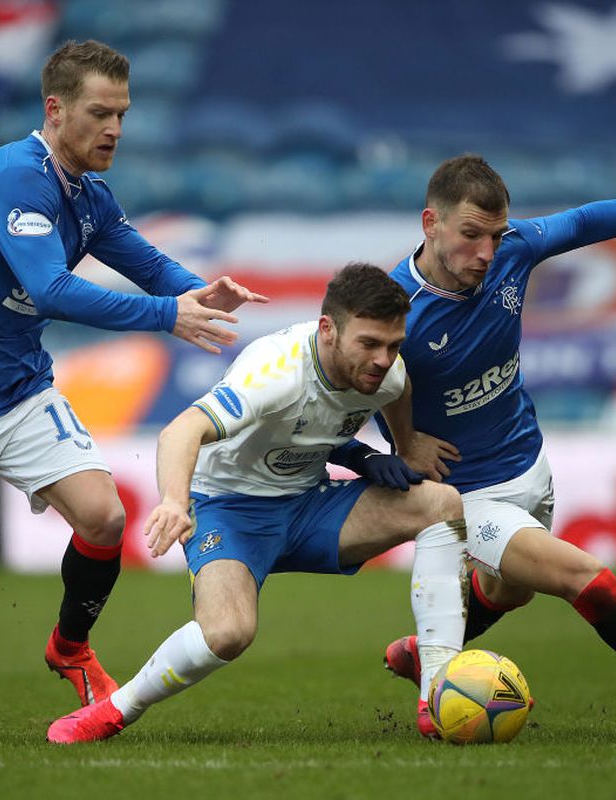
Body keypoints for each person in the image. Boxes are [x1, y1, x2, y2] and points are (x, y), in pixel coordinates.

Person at [0, 40, 267, 740]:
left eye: (122, 113)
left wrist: (195, 292)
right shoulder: (13, 177)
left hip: (20, 389)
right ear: (55, 111)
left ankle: (69, 648)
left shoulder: (87, 195)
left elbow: (144, 261)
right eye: (100, 113)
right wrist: (166, 316)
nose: (115, 128)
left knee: (104, 518)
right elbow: (50, 289)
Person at [370, 155, 616, 737]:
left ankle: (425, 646)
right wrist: (399, 446)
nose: (485, 252)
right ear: (430, 224)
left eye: (494, 234)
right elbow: (351, 389)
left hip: (530, 468)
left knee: (506, 593)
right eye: (469, 235)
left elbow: (589, 221)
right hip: (463, 497)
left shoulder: (512, 251)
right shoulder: (395, 310)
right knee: (590, 582)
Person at [45, 263, 469, 744]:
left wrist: (399, 447)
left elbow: (396, 392)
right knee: (227, 633)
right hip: (229, 509)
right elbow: (182, 429)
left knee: (442, 503)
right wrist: (174, 502)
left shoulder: (388, 375)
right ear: (327, 330)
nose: (382, 359)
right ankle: (116, 709)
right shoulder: (274, 372)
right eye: (369, 344)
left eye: (393, 346)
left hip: (307, 505)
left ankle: (438, 692)